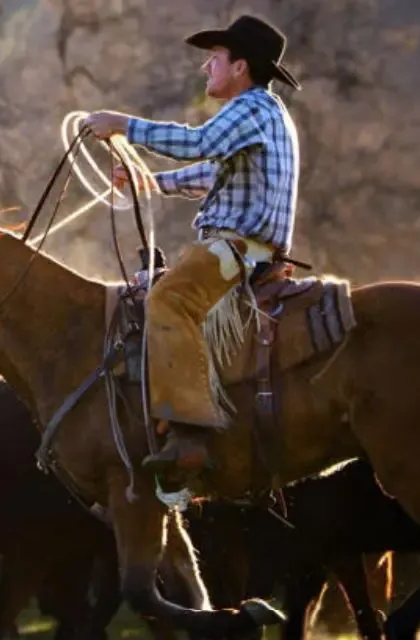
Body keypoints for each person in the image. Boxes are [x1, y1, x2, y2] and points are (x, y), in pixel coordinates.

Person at [82, 14, 302, 478]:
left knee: (168, 297)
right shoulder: (263, 114)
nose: (207, 68)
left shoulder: (252, 108)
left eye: (215, 59)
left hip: (240, 249)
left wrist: (123, 125)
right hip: (247, 248)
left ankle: (188, 433)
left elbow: (197, 143)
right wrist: (151, 183)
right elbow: (213, 173)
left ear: (240, 67)